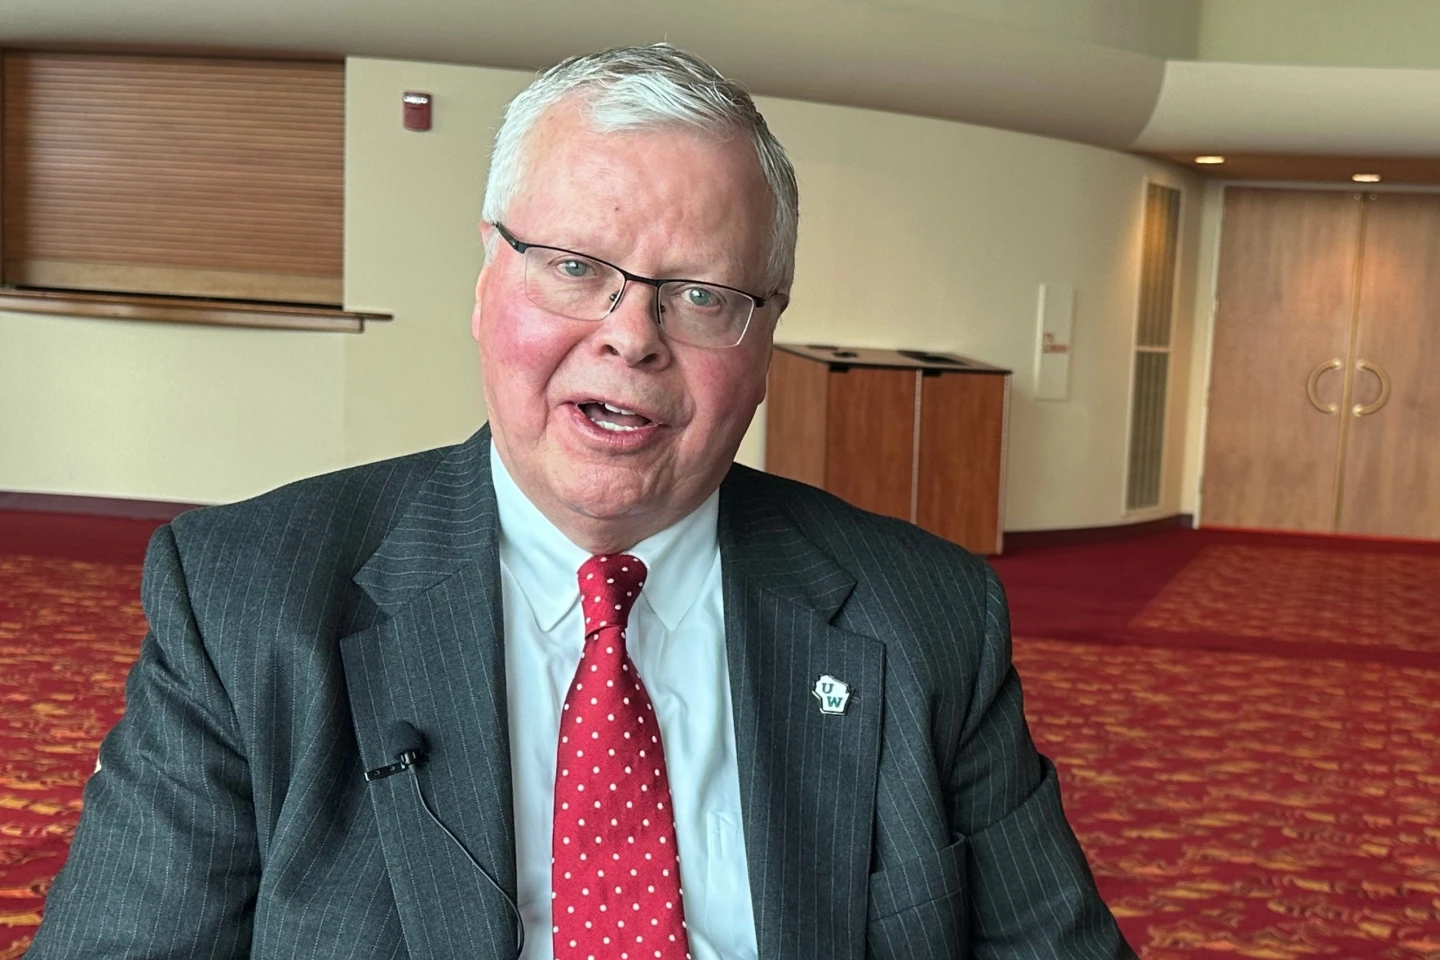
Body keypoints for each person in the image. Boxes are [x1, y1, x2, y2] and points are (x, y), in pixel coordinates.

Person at [29, 44, 1136, 960]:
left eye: (701, 294)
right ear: (486, 282)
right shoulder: (246, 602)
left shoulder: (929, 621)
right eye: (573, 267)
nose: (631, 336)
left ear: (764, 339)